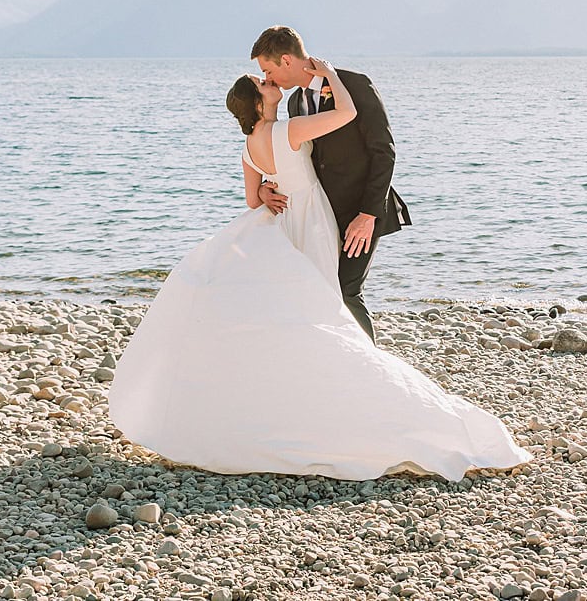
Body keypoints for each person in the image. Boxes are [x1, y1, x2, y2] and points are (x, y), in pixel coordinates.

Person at [107, 56, 529, 481]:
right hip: (311, 221)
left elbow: (254, 202)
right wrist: (328, 74)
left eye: (268, 73)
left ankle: (299, 393)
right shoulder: (286, 128)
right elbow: (345, 114)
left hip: (281, 226)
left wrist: (271, 189)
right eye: (263, 81)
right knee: (323, 304)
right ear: (258, 102)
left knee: (297, 309)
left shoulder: (249, 145)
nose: (270, 81)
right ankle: (354, 384)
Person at [252, 25, 410, 339]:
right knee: (320, 287)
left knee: (346, 288)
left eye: (268, 70)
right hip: (321, 215)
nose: (268, 79)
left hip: (362, 211)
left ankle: (370, 368)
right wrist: (263, 187)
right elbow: (296, 159)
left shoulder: (353, 84)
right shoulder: (295, 103)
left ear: (286, 60)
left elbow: (384, 152)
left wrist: (368, 215)